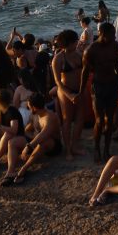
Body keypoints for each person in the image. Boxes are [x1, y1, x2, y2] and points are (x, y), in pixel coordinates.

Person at [81, 22, 118, 163]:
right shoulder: (90, 50)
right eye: (112, 35)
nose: (114, 38)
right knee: (99, 120)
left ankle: (106, 149)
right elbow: (85, 72)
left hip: (112, 84)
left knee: (110, 120)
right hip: (98, 86)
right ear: (102, 34)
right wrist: (81, 91)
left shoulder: (114, 45)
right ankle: (97, 148)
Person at [15, 92, 63, 182]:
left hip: (53, 146)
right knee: (13, 141)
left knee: (43, 142)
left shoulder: (50, 117)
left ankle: (24, 168)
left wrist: (28, 146)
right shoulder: (34, 115)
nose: (28, 107)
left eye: (29, 106)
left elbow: (44, 134)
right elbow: (27, 130)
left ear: (34, 107)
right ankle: (10, 169)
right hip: (36, 142)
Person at [52, 29, 85, 158]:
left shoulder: (79, 53)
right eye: (75, 41)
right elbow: (57, 81)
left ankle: (74, 146)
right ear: (68, 43)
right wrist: (69, 95)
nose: (77, 42)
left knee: (80, 119)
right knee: (67, 120)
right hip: (65, 90)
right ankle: (68, 150)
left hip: (80, 89)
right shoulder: (58, 59)